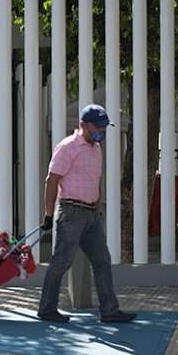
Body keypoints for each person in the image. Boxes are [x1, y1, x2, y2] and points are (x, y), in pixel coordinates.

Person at [37, 104, 136, 324]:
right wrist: (48, 214)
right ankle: (47, 309)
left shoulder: (96, 149)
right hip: (71, 212)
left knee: (102, 260)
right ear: (83, 125)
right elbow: (51, 180)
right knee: (61, 262)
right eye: (97, 126)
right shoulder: (67, 147)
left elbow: (95, 180)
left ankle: (109, 311)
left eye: (104, 126)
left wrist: (97, 207)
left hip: (92, 213)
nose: (101, 131)